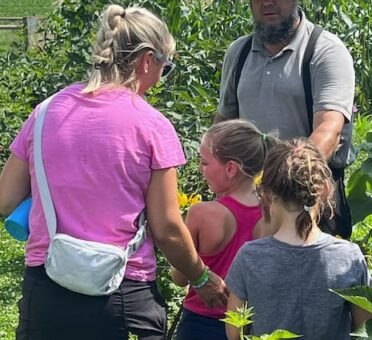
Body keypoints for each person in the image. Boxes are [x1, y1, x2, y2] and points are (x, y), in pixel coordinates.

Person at [0, 5, 227, 340]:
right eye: (166, 67)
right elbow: (166, 229)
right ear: (147, 60)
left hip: (46, 292)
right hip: (122, 295)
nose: (161, 78)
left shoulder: (45, 113)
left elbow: (5, 200)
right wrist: (202, 278)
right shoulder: (151, 126)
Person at [215, 0, 356, 239]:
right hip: (246, 203)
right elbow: (223, 124)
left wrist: (285, 187)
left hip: (307, 203)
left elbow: (328, 131)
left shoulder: (324, 50)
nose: (267, 3)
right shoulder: (239, 52)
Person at [225, 138, 372, 339]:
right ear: (326, 189)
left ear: (266, 194)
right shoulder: (348, 257)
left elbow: (234, 334)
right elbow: (367, 331)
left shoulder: (250, 257)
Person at [171, 120, 276, 340]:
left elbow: (179, 277)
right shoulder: (274, 213)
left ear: (230, 168)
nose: (200, 169)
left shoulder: (202, 213)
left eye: (205, 162)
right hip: (250, 325)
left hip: (201, 324)